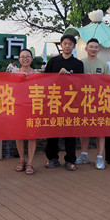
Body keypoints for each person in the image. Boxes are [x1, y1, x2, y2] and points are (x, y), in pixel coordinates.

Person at [44, 35, 84, 171]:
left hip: (70, 103)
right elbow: (45, 80)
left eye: (70, 44)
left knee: (70, 133)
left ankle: (70, 160)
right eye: (65, 43)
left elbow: (80, 84)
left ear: (74, 46)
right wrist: (58, 76)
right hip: (54, 102)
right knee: (52, 132)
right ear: (61, 45)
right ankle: (52, 158)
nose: (67, 46)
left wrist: (69, 77)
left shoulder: (78, 64)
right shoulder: (53, 61)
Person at [77, 38, 110, 169]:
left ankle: (100, 157)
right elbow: (74, 83)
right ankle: (84, 154)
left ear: (99, 50)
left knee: (100, 130)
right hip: (84, 102)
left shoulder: (104, 64)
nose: (93, 49)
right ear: (86, 49)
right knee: (84, 129)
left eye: (96, 47)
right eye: (91, 47)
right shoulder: (80, 63)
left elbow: (109, 83)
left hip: (100, 102)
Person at [8, 48, 41, 175]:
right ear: (19, 59)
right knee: (19, 135)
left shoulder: (37, 73)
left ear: (32, 59)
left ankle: (30, 162)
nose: (25, 59)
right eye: (22, 57)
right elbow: (8, 87)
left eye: (27, 56)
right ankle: (21, 160)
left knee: (32, 135)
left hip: (33, 107)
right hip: (19, 108)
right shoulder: (14, 72)